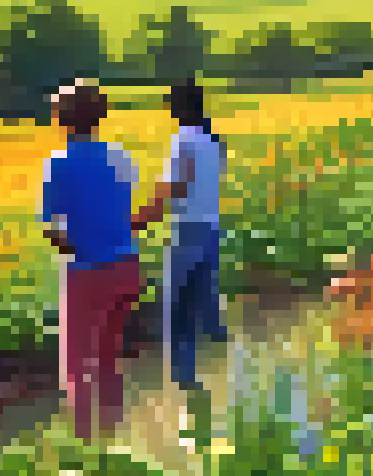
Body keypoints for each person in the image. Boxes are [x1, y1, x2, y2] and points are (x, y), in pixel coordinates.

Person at [40, 79, 145, 443]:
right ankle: (112, 439)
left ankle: (85, 449)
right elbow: (122, 211)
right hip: (127, 266)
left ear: (61, 120)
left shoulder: (57, 162)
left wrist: (71, 252)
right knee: (107, 360)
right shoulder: (121, 156)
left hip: (87, 270)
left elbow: (51, 229)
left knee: (76, 366)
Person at [133, 76, 231, 392]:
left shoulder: (183, 140)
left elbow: (176, 187)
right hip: (211, 228)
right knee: (205, 302)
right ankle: (235, 363)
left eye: (171, 102)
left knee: (178, 307)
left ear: (179, 105)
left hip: (187, 229)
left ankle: (184, 378)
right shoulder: (213, 140)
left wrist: (138, 220)